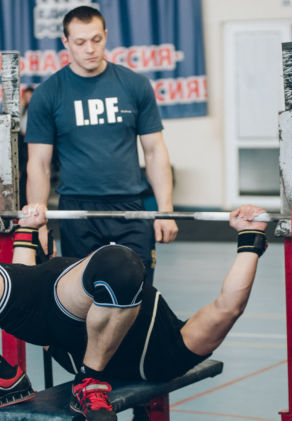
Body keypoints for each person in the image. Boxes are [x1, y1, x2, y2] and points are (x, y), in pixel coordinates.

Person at [0, 204, 267, 421]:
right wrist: (26, 231)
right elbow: (226, 307)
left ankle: (91, 379)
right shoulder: (171, 349)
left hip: (59, 309)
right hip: (54, 292)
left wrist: (25, 234)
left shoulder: (164, 359)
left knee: (119, 266)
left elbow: (228, 307)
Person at [25, 6, 178, 284]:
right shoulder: (49, 94)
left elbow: (155, 152)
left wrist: (164, 210)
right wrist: (40, 222)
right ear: (66, 42)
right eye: (80, 42)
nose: (90, 49)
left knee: (137, 294)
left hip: (132, 208)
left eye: (96, 39)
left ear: (106, 35)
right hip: (77, 211)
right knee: (81, 300)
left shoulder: (135, 85)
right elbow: (39, 164)